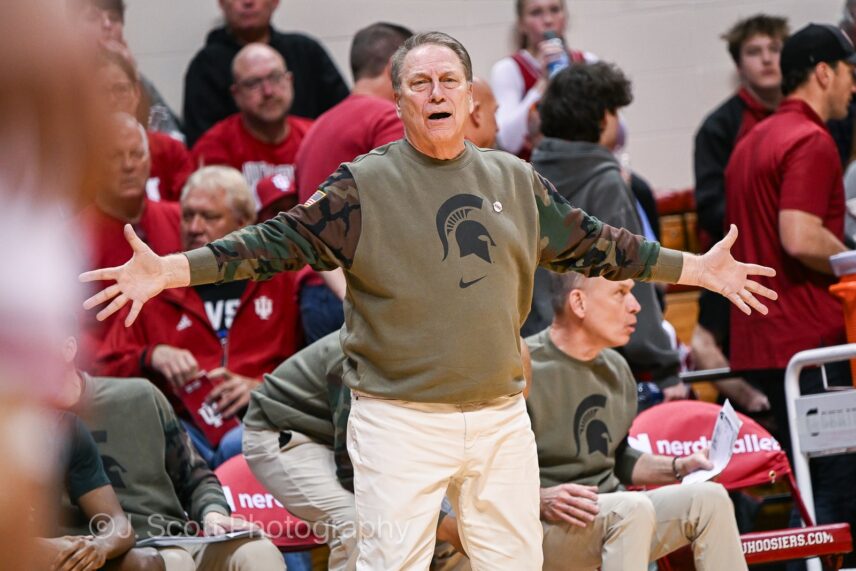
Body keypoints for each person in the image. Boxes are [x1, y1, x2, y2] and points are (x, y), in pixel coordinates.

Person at [82, 32, 776, 570]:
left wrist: (695, 268)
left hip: (501, 418)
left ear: (471, 98)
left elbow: (601, 245)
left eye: (448, 81)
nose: (435, 92)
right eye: (420, 82)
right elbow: (273, 242)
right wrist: (169, 270)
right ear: (400, 100)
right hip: (398, 420)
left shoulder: (516, 180)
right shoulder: (362, 185)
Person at [725, 22, 856, 545]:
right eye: (849, 72)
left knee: (810, 480)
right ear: (824, 73)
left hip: (762, 342)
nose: (853, 85)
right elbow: (800, 236)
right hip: (809, 343)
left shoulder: (750, 142)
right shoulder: (810, 139)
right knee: (834, 484)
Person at [527, 273, 746, 570]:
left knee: (711, 499)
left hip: (616, 515)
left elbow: (617, 457)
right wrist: (539, 499)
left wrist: (679, 466)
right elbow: (482, 472)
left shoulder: (617, 368)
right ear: (578, 302)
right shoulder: (524, 368)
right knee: (631, 508)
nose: (635, 305)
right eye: (620, 293)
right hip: (541, 525)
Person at [97, 166, 301, 467]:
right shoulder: (157, 287)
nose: (194, 227)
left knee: (237, 444)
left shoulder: (282, 282)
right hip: (180, 429)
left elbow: (313, 368)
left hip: (264, 420)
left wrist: (262, 388)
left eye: (209, 217)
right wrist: (151, 355)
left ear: (244, 223)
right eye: (188, 216)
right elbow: (103, 374)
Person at [243, 331, 471, 571]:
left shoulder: (443, 351)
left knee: (457, 517)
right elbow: (354, 470)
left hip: (346, 433)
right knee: (362, 526)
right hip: (284, 431)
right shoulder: (361, 358)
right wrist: (442, 524)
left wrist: (445, 520)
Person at [528, 61, 686, 401]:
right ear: (603, 118)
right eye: (615, 111)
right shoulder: (606, 184)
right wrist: (665, 369)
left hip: (535, 361)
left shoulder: (525, 178)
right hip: (600, 366)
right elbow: (630, 276)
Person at [61, 335, 285, 571]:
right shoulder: (34, 426)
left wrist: (213, 514)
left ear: (68, 347)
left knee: (256, 551)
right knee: (175, 562)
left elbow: (196, 478)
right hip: (101, 557)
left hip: (175, 539)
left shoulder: (140, 396)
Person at [292, 22, 411, 344]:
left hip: (316, 290)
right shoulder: (387, 117)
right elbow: (401, 210)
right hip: (364, 291)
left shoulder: (316, 128)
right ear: (394, 67)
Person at [693, 16, 788, 396]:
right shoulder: (719, 127)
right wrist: (772, 222)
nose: (766, 59)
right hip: (742, 264)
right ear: (739, 64)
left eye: (775, 49)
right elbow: (710, 207)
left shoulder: (810, 116)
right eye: (754, 51)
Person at [76, 112, 183, 371]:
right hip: (107, 372)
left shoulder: (181, 220)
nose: (128, 165)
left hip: (185, 363)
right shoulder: (74, 238)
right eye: (115, 156)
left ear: (150, 159)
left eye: (137, 154)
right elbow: (67, 328)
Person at [183, 0, 348, 146]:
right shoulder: (205, 66)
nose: (248, 2)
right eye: (252, 83)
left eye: (275, 78)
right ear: (221, 3)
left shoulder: (306, 52)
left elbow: (343, 118)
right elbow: (200, 143)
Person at [191, 43, 312, 194]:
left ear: (290, 81)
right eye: (253, 83)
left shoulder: (314, 137)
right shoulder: (214, 147)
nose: (268, 92)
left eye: (275, 78)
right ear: (236, 94)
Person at [490, 0, 595, 157]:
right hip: (534, 168)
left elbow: (618, 133)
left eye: (555, 10)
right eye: (536, 12)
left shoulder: (587, 61)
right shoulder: (508, 69)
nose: (548, 20)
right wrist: (543, 83)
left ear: (565, 17)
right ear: (522, 24)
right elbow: (507, 141)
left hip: (584, 163)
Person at [37, 412, 140, 571]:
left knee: (146, 562)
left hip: (46, 552)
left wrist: (99, 546)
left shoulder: (65, 426)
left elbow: (117, 521)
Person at [73, 0, 183, 139]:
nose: (107, 25)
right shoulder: (58, 84)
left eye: (114, 18)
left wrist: (130, 76)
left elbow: (173, 138)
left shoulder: (138, 79)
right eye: (92, 17)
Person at [95, 49, 195, 202]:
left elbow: (189, 207)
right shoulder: (75, 159)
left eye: (121, 89)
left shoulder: (170, 151)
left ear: (136, 93)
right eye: (101, 92)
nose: (112, 100)